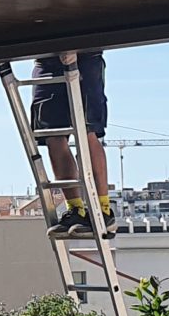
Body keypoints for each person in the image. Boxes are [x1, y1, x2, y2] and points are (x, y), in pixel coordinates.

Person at [31, 50, 112, 238]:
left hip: (85, 57)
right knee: (53, 136)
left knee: (86, 132)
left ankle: (103, 210)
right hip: (46, 60)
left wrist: (75, 45)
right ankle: (76, 210)